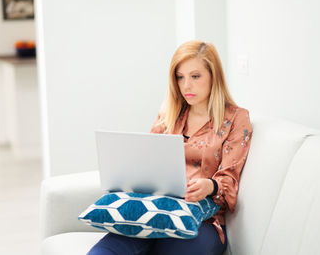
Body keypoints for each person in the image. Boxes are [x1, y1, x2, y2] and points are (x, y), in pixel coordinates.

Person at [88, 40, 253, 255]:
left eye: (195, 76)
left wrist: (209, 186)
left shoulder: (236, 119)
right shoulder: (168, 116)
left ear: (214, 76)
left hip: (201, 220)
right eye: (180, 77)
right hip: (153, 213)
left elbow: (230, 180)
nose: (186, 86)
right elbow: (146, 164)